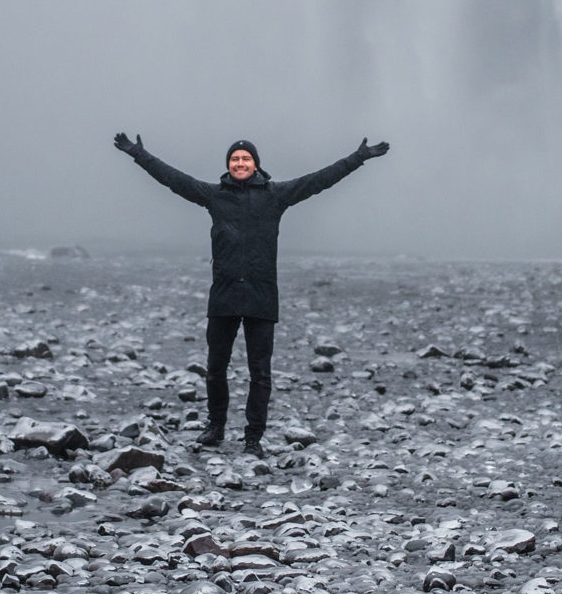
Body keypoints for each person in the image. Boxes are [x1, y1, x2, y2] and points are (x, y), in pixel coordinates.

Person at [114, 129, 389, 455]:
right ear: (228, 165)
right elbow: (174, 179)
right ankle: (215, 428)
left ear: (256, 164)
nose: (240, 163)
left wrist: (358, 158)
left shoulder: (276, 195)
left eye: (245, 159)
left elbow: (319, 180)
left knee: (260, 373)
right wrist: (139, 154)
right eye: (235, 159)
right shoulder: (213, 195)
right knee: (216, 367)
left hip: (261, 295)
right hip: (225, 295)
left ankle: (253, 438)